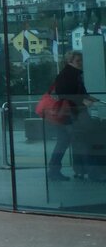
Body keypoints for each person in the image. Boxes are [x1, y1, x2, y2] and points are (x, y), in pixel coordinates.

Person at [45, 49, 98, 181]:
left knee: (64, 142)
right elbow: (67, 96)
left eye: (81, 61)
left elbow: (74, 94)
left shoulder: (71, 75)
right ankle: (90, 171)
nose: (81, 63)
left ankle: (55, 170)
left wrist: (88, 98)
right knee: (81, 141)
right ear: (70, 61)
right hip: (72, 114)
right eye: (78, 61)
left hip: (67, 115)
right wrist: (84, 101)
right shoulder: (69, 76)